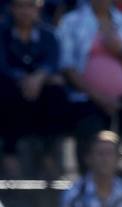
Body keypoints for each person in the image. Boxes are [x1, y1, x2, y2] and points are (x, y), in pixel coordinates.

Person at [57, 0, 122, 176]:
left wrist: (121, 51)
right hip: (86, 99)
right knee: (88, 131)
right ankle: (88, 186)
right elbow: (67, 67)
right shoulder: (71, 22)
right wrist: (98, 96)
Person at [0, 0, 74, 178]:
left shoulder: (48, 35)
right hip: (12, 93)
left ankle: (48, 153)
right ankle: (9, 152)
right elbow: (3, 65)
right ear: (12, 9)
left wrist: (38, 78)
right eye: (20, 6)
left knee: (57, 89)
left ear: (37, 8)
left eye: (29, 6)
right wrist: (22, 79)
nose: (25, 11)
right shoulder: (3, 34)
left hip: (39, 95)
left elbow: (52, 62)